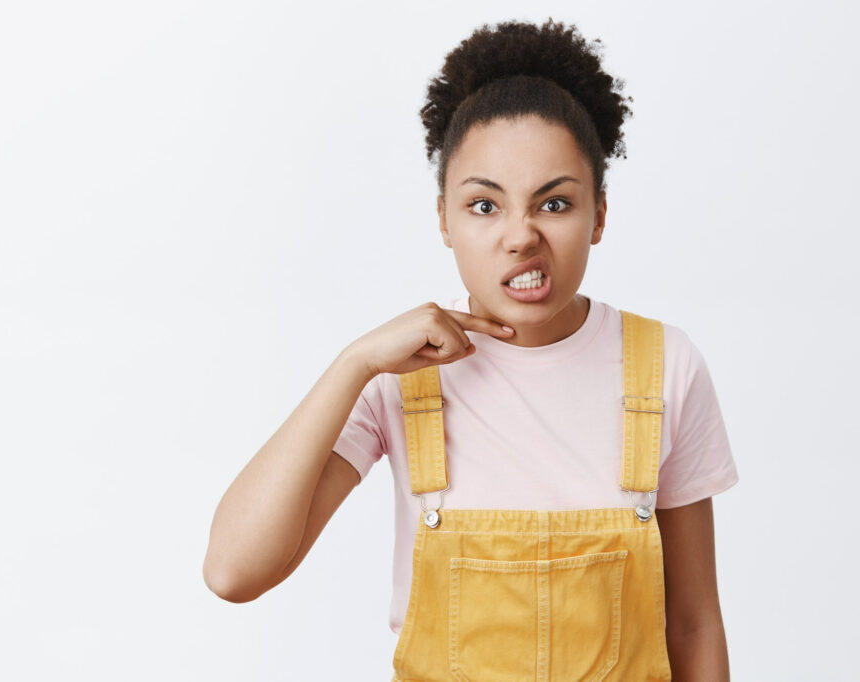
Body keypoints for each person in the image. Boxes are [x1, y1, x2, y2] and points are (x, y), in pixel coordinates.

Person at [203, 17, 738, 681]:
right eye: (486, 206)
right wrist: (354, 364)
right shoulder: (398, 376)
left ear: (599, 213)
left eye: (555, 203)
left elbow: (692, 622)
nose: (520, 236)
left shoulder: (666, 367)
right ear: (444, 220)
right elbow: (233, 571)